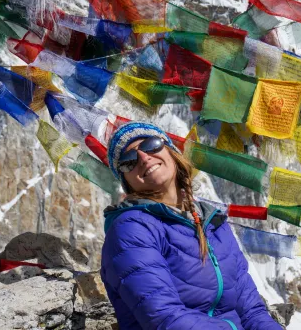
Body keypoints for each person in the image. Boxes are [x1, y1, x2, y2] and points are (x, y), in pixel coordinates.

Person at [101, 121, 282, 330]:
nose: (143, 157)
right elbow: (165, 318)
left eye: (151, 145)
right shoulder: (131, 229)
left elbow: (251, 310)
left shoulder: (214, 223)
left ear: (172, 152)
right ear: (127, 181)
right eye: (128, 161)